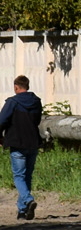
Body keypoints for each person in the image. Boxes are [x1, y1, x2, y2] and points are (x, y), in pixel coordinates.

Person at [1, 75, 43, 221]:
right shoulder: (36, 102)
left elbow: (2, 121)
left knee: (18, 176)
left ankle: (28, 199)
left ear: (16, 87)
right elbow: (37, 120)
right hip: (33, 143)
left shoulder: (12, 102)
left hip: (17, 143)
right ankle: (23, 211)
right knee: (27, 177)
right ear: (28, 86)